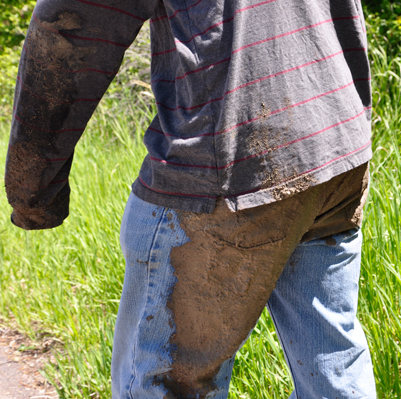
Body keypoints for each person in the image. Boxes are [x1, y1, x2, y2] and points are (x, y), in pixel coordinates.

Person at [4, 0, 376, 397]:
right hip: (336, 142)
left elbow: (69, 24)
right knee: (331, 358)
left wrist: (32, 189)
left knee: (167, 383)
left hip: (227, 168)